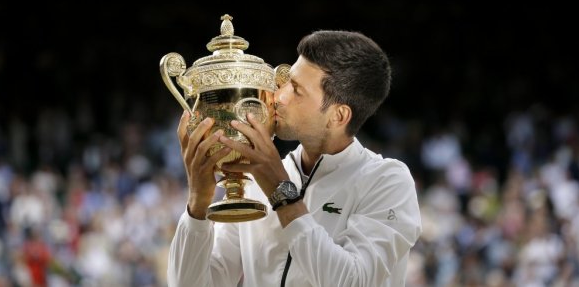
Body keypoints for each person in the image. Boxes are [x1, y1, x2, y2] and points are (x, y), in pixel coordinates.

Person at [168, 30, 422, 286]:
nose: (278, 96)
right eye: (286, 81)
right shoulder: (255, 180)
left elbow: (354, 281)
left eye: (297, 90)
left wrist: (281, 193)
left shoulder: (387, 181)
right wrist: (198, 205)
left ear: (338, 116)